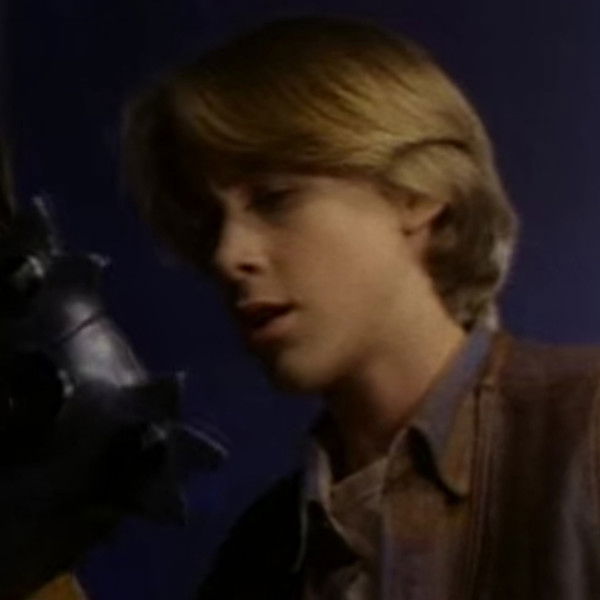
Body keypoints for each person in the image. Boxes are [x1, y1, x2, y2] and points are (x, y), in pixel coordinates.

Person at [124, 16, 600, 600]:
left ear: (418, 192)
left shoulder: (585, 432)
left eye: (274, 199)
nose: (227, 255)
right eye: (209, 221)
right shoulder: (260, 554)